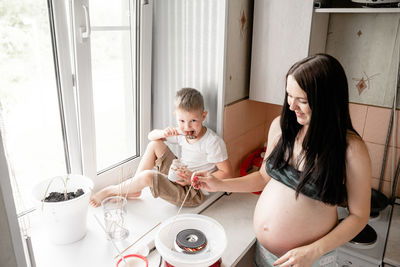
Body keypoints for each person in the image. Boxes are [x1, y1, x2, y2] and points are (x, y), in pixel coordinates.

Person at [192, 54, 371, 267]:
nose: (292, 106)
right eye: (289, 95)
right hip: (265, 253)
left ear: (326, 100)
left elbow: (359, 216)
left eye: (302, 100)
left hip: (310, 260)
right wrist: (219, 183)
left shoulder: (350, 149)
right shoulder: (281, 127)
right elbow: (262, 178)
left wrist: (313, 252)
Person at [90, 87, 232, 207]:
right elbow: (151, 136)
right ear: (176, 116)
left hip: (194, 191)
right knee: (155, 144)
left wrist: (194, 179)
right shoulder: (182, 132)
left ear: (203, 116)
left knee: (148, 177)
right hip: (180, 175)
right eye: (182, 121)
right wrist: (163, 133)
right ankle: (134, 188)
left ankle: (111, 190)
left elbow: (227, 173)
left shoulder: (212, 142)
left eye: (193, 121)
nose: (187, 127)